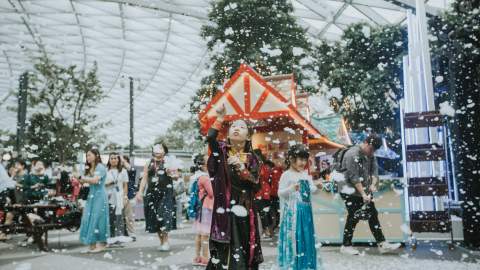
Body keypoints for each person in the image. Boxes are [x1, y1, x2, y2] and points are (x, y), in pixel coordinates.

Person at [206, 105, 263, 270]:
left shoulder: (253, 159)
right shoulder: (221, 152)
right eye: (233, 127)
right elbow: (210, 138)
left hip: (244, 210)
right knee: (223, 248)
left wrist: (241, 168)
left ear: (248, 136)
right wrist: (220, 118)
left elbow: (255, 183)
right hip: (224, 209)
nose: (237, 129)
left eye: (242, 127)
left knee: (242, 247)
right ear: (229, 133)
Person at [337, 134, 401, 255]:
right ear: (366, 143)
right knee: (354, 215)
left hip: (362, 190)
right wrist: (363, 194)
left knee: (372, 214)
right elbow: (353, 177)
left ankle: (381, 244)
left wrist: (373, 184)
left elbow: (374, 171)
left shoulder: (371, 154)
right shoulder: (352, 154)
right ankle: (346, 246)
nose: (372, 152)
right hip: (348, 190)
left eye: (374, 150)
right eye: (371, 149)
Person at [277, 144, 323, 270]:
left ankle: (306, 264)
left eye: (305, 160)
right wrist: (291, 189)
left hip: (306, 212)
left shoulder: (305, 174)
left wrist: (318, 188)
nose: (303, 163)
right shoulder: (286, 175)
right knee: (296, 238)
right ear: (291, 159)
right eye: (300, 159)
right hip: (294, 213)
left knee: (307, 237)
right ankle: (295, 264)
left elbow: (312, 190)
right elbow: (280, 193)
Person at [135, 143, 176, 251]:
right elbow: (144, 178)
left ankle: (166, 241)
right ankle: (162, 241)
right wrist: (140, 192)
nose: (158, 150)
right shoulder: (149, 163)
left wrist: (171, 173)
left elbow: (176, 176)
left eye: (160, 148)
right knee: (154, 218)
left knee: (164, 215)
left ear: (165, 151)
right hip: (151, 193)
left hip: (166, 193)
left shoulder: (169, 162)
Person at [79, 148, 109, 253]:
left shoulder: (100, 167)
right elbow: (85, 182)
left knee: (99, 219)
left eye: (89, 155)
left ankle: (102, 243)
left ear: (96, 155)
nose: (88, 157)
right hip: (91, 195)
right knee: (88, 218)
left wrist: (82, 177)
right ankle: (92, 244)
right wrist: (78, 179)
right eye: (87, 156)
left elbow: (96, 181)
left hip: (100, 195)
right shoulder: (89, 168)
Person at [191, 154, 213, 266]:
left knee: (199, 234)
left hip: (201, 208)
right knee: (205, 234)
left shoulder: (198, 176)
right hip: (207, 207)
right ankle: (205, 258)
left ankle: (197, 257)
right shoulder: (205, 178)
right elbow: (212, 193)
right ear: (204, 165)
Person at [105, 153, 129, 245]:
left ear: (118, 160)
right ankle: (110, 237)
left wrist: (125, 196)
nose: (114, 160)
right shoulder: (105, 170)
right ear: (109, 160)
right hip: (108, 196)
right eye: (112, 158)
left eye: (115, 158)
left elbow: (125, 185)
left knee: (119, 218)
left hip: (119, 196)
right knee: (110, 217)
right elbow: (101, 183)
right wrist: (109, 184)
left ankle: (118, 237)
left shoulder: (123, 171)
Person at [253, 151, 274, 239]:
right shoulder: (263, 166)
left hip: (261, 193)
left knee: (263, 212)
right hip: (263, 192)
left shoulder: (262, 167)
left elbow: (264, 177)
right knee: (265, 212)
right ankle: (268, 230)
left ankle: (267, 230)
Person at [122, 155, 137, 240]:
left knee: (129, 216)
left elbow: (130, 169)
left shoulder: (131, 170)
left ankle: (131, 233)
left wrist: (123, 161)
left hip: (129, 195)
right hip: (119, 195)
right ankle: (123, 233)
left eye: (124, 161)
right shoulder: (118, 171)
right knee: (119, 216)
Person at [270, 155, 283, 233]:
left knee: (276, 211)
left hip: (276, 194)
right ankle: (275, 225)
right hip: (275, 194)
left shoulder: (278, 171)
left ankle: (275, 225)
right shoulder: (275, 171)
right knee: (276, 211)